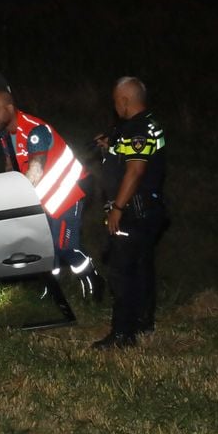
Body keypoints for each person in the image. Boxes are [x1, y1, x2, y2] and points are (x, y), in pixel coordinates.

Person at [0, 89, 104, 300]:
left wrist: (14, 201)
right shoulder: (6, 135)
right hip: (44, 198)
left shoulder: (34, 130)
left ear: (10, 108)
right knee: (47, 248)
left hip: (67, 193)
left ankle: (94, 281)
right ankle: (53, 290)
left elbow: (35, 170)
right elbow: (10, 164)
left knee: (65, 247)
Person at [91, 77, 167, 349]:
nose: (115, 106)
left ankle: (122, 333)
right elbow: (129, 157)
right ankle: (143, 322)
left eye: (116, 101)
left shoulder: (136, 129)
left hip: (133, 211)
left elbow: (135, 171)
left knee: (122, 272)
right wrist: (110, 147)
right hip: (149, 209)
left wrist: (118, 209)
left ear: (125, 100)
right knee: (142, 267)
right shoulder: (149, 123)